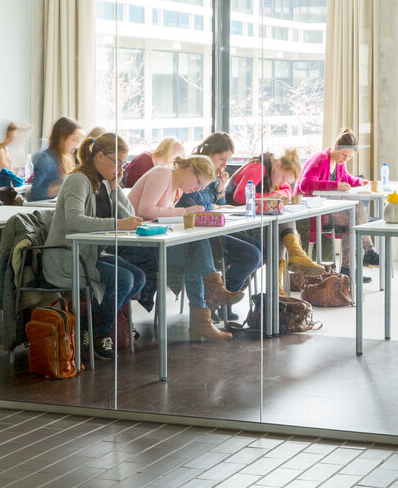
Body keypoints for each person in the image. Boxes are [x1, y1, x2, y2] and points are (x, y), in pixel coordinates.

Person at [40, 133, 146, 360]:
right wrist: (118, 224)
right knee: (124, 279)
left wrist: (115, 187)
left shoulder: (104, 183)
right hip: (67, 257)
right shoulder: (78, 180)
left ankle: (88, 327)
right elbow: (74, 220)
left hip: (87, 255)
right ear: (99, 156)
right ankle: (99, 333)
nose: (120, 168)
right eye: (117, 162)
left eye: (123, 163)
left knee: (137, 277)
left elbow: (130, 218)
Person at [129, 154, 242, 341]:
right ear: (189, 169)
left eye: (202, 187)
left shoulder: (178, 190)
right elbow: (145, 211)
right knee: (196, 248)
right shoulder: (162, 174)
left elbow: (160, 216)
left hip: (152, 240)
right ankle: (209, 301)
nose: (197, 189)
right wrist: (186, 212)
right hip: (137, 245)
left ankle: (203, 318)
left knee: (195, 252)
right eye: (198, 182)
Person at [176, 132, 262, 319]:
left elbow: (218, 207)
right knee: (252, 255)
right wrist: (215, 203)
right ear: (209, 152)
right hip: (198, 236)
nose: (224, 165)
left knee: (260, 249)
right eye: (221, 158)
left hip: (212, 229)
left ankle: (221, 300)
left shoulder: (213, 174)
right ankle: (217, 301)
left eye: (227, 160)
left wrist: (220, 189)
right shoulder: (194, 169)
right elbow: (200, 206)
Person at [296, 128, 379, 282]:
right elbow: (304, 185)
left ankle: (348, 269)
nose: (345, 159)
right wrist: (334, 185)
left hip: (326, 209)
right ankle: (366, 253)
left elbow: (345, 178)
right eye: (343, 155)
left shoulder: (339, 163)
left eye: (349, 157)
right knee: (355, 213)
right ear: (335, 146)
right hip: (311, 211)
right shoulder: (320, 159)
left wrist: (359, 182)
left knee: (354, 218)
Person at [228, 149, 326, 277]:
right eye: (283, 178)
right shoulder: (259, 167)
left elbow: (288, 191)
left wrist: (276, 195)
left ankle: (293, 258)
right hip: (237, 223)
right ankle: (295, 256)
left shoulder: (275, 171)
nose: (281, 183)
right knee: (281, 231)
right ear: (278, 165)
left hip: (253, 218)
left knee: (282, 227)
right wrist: (272, 196)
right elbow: (239, 196)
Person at [29, 117, 84, 201]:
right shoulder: (45, 159)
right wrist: (63, 186)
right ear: (62, 138)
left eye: (79, 141)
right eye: (74, 140)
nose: (77, 145)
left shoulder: (67, 157)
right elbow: (35, 194)